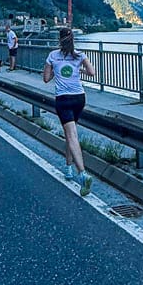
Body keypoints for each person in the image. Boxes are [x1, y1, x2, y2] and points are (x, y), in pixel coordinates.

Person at [43, 27, 96, 197]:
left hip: (63, 99)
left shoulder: (53, 56)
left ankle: (82, 174)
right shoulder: (80, 55)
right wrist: (78, 70)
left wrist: (55, 71)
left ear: (59, 39)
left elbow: (46, 79)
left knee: (71, 135)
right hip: (79, 97)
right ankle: (68, 169)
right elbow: (92, 73)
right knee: (70, 133)